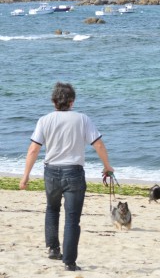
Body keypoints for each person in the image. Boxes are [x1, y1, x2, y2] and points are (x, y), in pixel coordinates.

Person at [19, 82, 114, 271]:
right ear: (72, 101)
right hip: (74, 172)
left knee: (52, 209)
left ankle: (53, 249)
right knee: (72, 218)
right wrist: (107, 166)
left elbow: (33, 149)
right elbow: (99, 145)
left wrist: (25, 176)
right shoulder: (82, 119)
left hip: (51, 171)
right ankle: (69, 262)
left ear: (54, 102)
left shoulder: (44, 120)